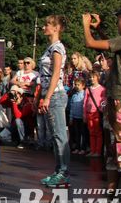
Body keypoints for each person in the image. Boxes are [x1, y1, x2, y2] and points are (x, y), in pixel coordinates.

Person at [82, 3, 121, 191]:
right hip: (117, 100)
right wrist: (99, 29)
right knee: (113, 150)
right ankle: (112, 195)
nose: (117, 24)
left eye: (119, 20)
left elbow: (90, 44)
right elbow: (111, 45)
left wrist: (86, 25)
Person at [37, 15, 69, 187]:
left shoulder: (57, 47)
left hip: (55, 95)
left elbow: (56, 73)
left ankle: (63, 172)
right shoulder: (49, 47)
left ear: (56, 28)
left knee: (59, 135)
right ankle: (58, 170)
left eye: (47, 24)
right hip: (49, 94)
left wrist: (47, 97)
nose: (44, 27)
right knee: (55, 135)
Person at [68, 78, 87, 154]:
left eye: (78, 85)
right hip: (75, 117)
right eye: (75, 85)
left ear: (83, 86)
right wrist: (71, 118)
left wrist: (85, 116)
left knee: (83, 133)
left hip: (82, 117)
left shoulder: (84, 94)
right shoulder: (74, 96)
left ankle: (83, 148)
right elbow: (71, 108)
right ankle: (77, 147)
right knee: (77, 133)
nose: (76, 86)